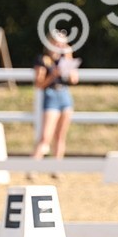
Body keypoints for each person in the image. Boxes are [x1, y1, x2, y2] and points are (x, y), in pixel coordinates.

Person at [31, 30, 79, 170]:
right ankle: (33, 167)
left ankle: (56, 169)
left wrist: (68, 55)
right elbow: (39, 84)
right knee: (46, 136)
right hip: (51, 95)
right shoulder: (43, 59)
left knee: (60, 136)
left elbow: (74, 79)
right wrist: (53, 75)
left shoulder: (64, 59)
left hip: (64, 94)